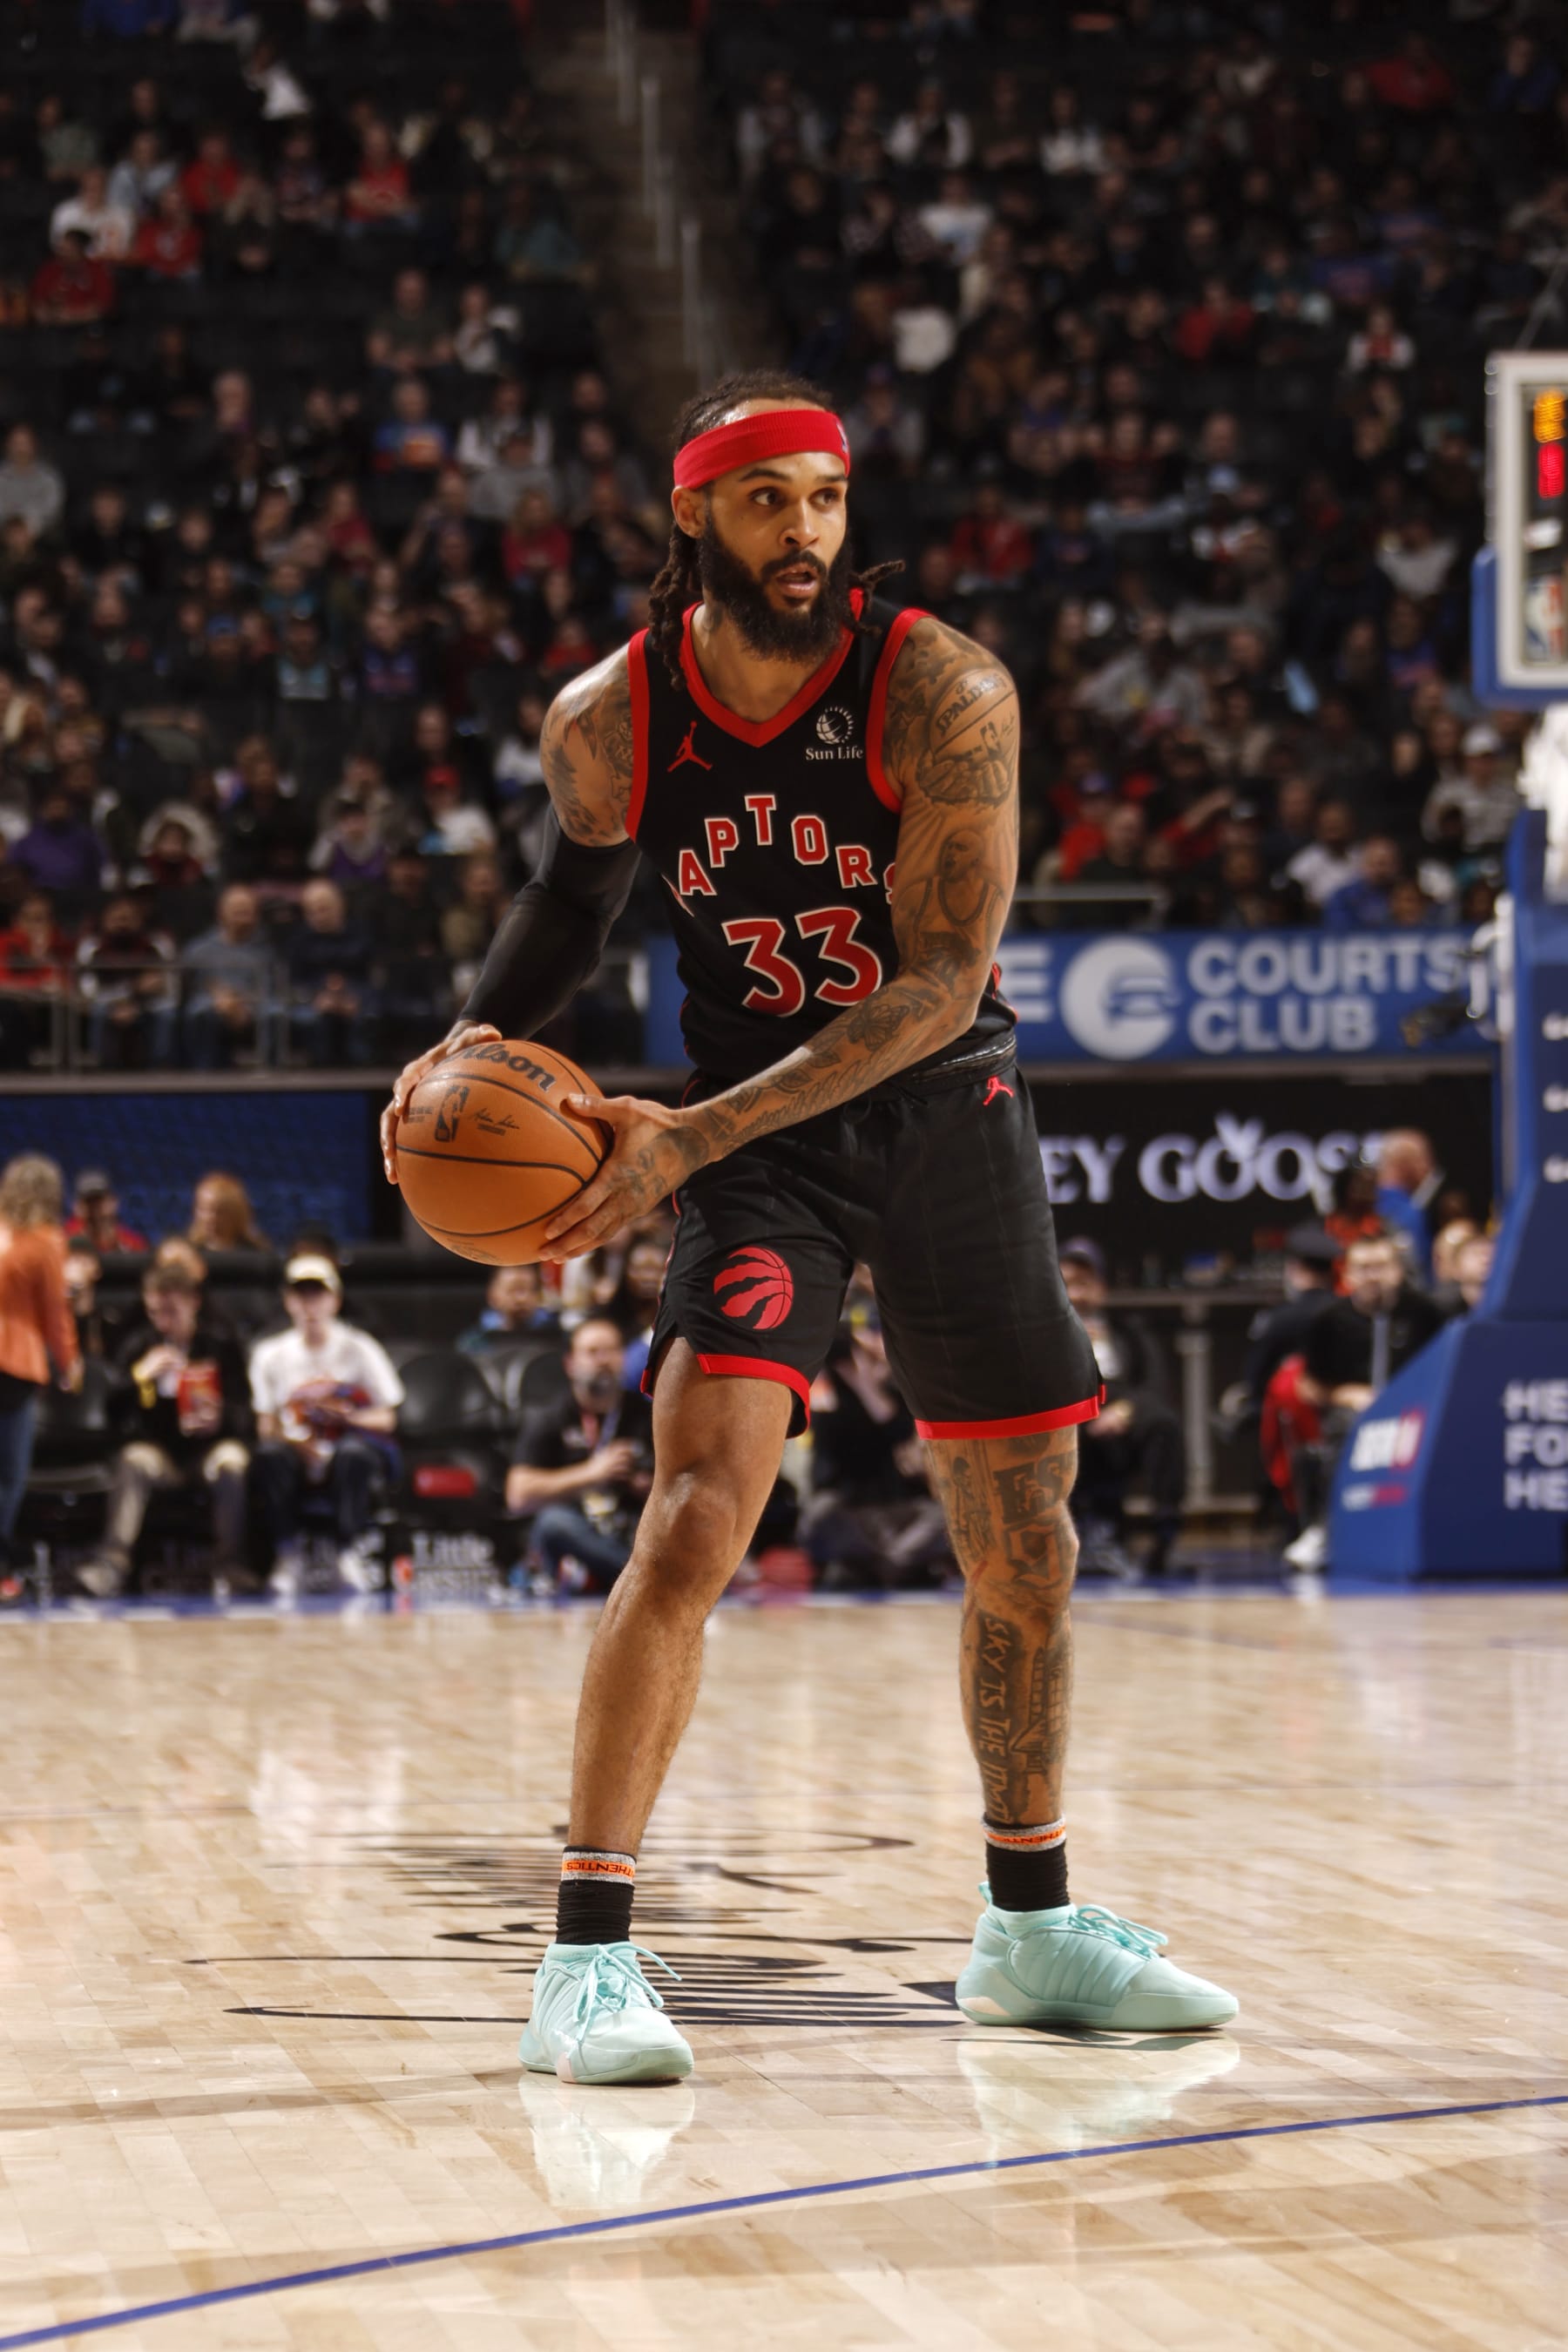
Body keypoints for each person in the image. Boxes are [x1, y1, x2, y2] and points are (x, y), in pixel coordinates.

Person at [383, 371, 1235, 2086]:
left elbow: (937, 989)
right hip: (761, 1153)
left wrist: (686, 1134)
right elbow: (578, 890)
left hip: (937, 1117)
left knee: (1027, 1539)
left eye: (827, 499)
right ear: (694, 516)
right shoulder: (612, 718)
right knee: (696, 1513)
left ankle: (1031, 1926)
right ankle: (588, 1956)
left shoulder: (942, 691)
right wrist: (470, 1040)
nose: (806, 531)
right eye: (767, 501)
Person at [78, 1258, 253, 1598]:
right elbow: (112, 1415)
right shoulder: (140, 1347)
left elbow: (248, 1415)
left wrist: (222, 1418)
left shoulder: (221, 1345)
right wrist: (139, 1378)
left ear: (194, 1303)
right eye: (155, 1312)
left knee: (233, 1461)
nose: (163, 1322)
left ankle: (230, 1564)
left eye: (172, 1311)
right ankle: (111, 1564)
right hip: (162, 1455)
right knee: (134, 1460)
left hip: (208, 1451)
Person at [1284, 1234, 1444, 1572]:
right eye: (1363, 1268)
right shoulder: (1328, 1320)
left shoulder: (1426, 1314)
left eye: (1381, 1267)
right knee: (1342, 1430)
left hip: (1414, 1413)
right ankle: (1325, 1530)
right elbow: (1307, 1385)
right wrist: (1347, 1394)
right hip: (1352, 1414)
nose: (1373, 1276)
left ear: (1399, 1270)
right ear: (1348, 1274)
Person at [247, 1254, 403, 1597]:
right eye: (301, 1294)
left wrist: (347, 1418)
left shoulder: (359, 1347)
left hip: (345, 1446)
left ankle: (346, 1554)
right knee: (270, 1454)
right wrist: (290, 1441)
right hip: (296, 1450)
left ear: (335, 1299)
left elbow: (388, 1417)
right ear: (288, 1301)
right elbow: (265, 1423)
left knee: (355, 1453)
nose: (309, 1304)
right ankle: (287, 1556)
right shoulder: (269, 1353)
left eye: (317, 1294)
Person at [1058, 1240, 1186, 1578]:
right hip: (1071, 1415)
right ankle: (1093, 1533)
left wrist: (1126, 1410)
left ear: (1101, 1287)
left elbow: (1155, 1385)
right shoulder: (1044, 1336)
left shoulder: (1130, 1332)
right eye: (1067, 1284)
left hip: (1123, 1414)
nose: (1077, 1295)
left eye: (1084, 1284)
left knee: (1164, 1423)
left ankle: (1164, 1532)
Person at [803, 1308, 952, 1588]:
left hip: (898, 1508)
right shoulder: (831, 1402)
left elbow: (894, 1429)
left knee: (944, 1516)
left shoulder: (900, 1392)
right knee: (819, 1515)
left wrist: (866, 1384)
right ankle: (891, 1565)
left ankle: (888, 1564)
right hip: (852, 1509)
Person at [506, 1316, 654, 1594]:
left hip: (629, 1529)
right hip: (579, 1530)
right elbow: (518, 1495)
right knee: (554, 1523)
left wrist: (649, 1485)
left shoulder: (646, 1415)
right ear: (570, 1364)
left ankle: (637, 1575)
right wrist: (593, 1473)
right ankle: (644, 1579)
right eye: (592, 1352)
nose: (603, 1360)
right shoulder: (550, 1416)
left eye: (611, 1351)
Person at [0, 1154, 81, 1590]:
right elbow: (55, 1313)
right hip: (12, 1362)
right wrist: (69, 1363)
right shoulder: (47, 1240)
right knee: (8, 1474)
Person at [456, 1263, 561, 1355]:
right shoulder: (475, 1342)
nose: (521, 1299)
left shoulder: (556, 1334)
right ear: (493, 1296)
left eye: (529, 1289)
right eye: (512, 1290)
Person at [64, 1168, 147, 1254]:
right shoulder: (66, 1240)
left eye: (99, 1202)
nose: (95, 1211)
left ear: (114, 1202)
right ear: (77, 1207)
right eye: (89, 1203)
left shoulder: (133, 1244)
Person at [187, 1170, 269, 1253]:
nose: (211, 1218)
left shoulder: (257, 1254)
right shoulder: (187, 1249)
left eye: (220, 1212)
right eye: (203, 1210)